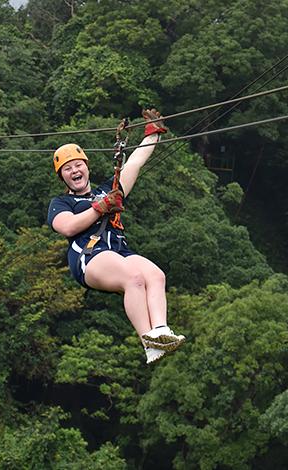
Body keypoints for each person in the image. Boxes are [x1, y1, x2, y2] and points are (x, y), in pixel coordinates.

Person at [47, 109, 185, 364]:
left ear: (86, 167)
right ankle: (148, 343)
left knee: (155, 275)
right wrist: (100, 208)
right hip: (89, 255)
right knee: (132, 278)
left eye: (78, 165)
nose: (74, 171)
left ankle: (160, 331)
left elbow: (133, 163)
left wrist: (152, 133)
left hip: (119, 250)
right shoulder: (62, 202)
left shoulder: (107, 190)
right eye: (68, 169)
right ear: (62, 177)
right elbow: (67, 227)